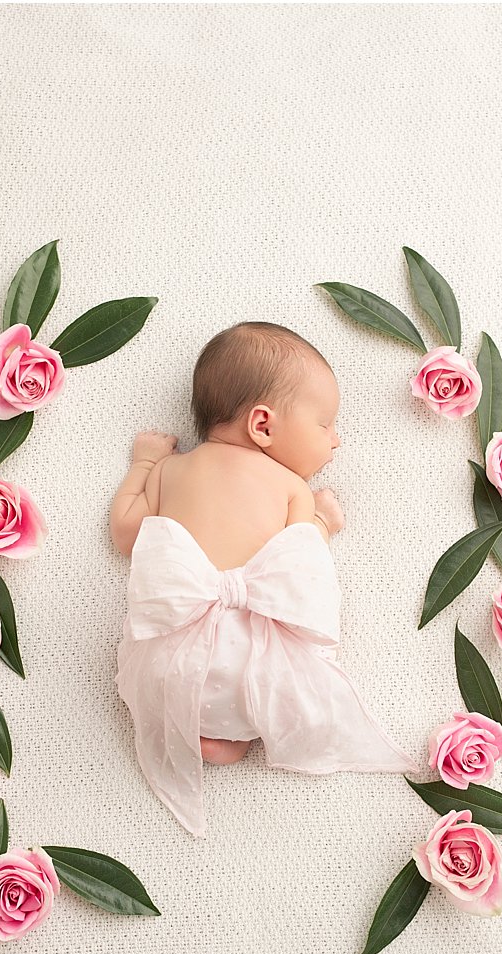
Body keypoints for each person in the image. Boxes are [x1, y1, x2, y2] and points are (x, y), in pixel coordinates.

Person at [110, 321, 412, 835]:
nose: (336, 440)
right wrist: (323, 521)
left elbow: (126, 534)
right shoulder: (291, 485)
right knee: (294, 674)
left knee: (172, 682)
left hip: (175, 658)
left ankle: (202, 733)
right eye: (325, 424)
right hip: (255, 658)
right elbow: (297, 560)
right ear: (264, 426)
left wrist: (143, 464)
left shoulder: (172, 472)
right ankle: (238, 733)